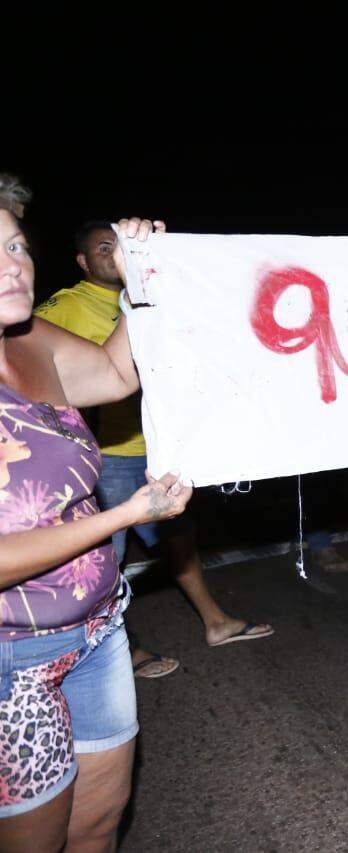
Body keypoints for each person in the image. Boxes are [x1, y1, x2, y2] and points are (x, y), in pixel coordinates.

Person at [0, 179, 192, 849]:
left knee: (99, 826)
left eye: (17, 245)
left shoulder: (30, 338)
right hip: (10, 662)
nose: (14, 265)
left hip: (97, 632)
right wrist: (123, 517)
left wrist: (140, 273)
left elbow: (115, 374)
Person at [36, 221, 273, 676]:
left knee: (179, 535)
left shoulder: (157, 294)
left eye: (120, 247)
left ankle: (215, 621)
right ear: (83, 262)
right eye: (104, 248)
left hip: (163, 444)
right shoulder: (61, 310)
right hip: (114, 451)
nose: (114, 255)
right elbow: (50, 382)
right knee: (108, 556)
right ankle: (119, 650)